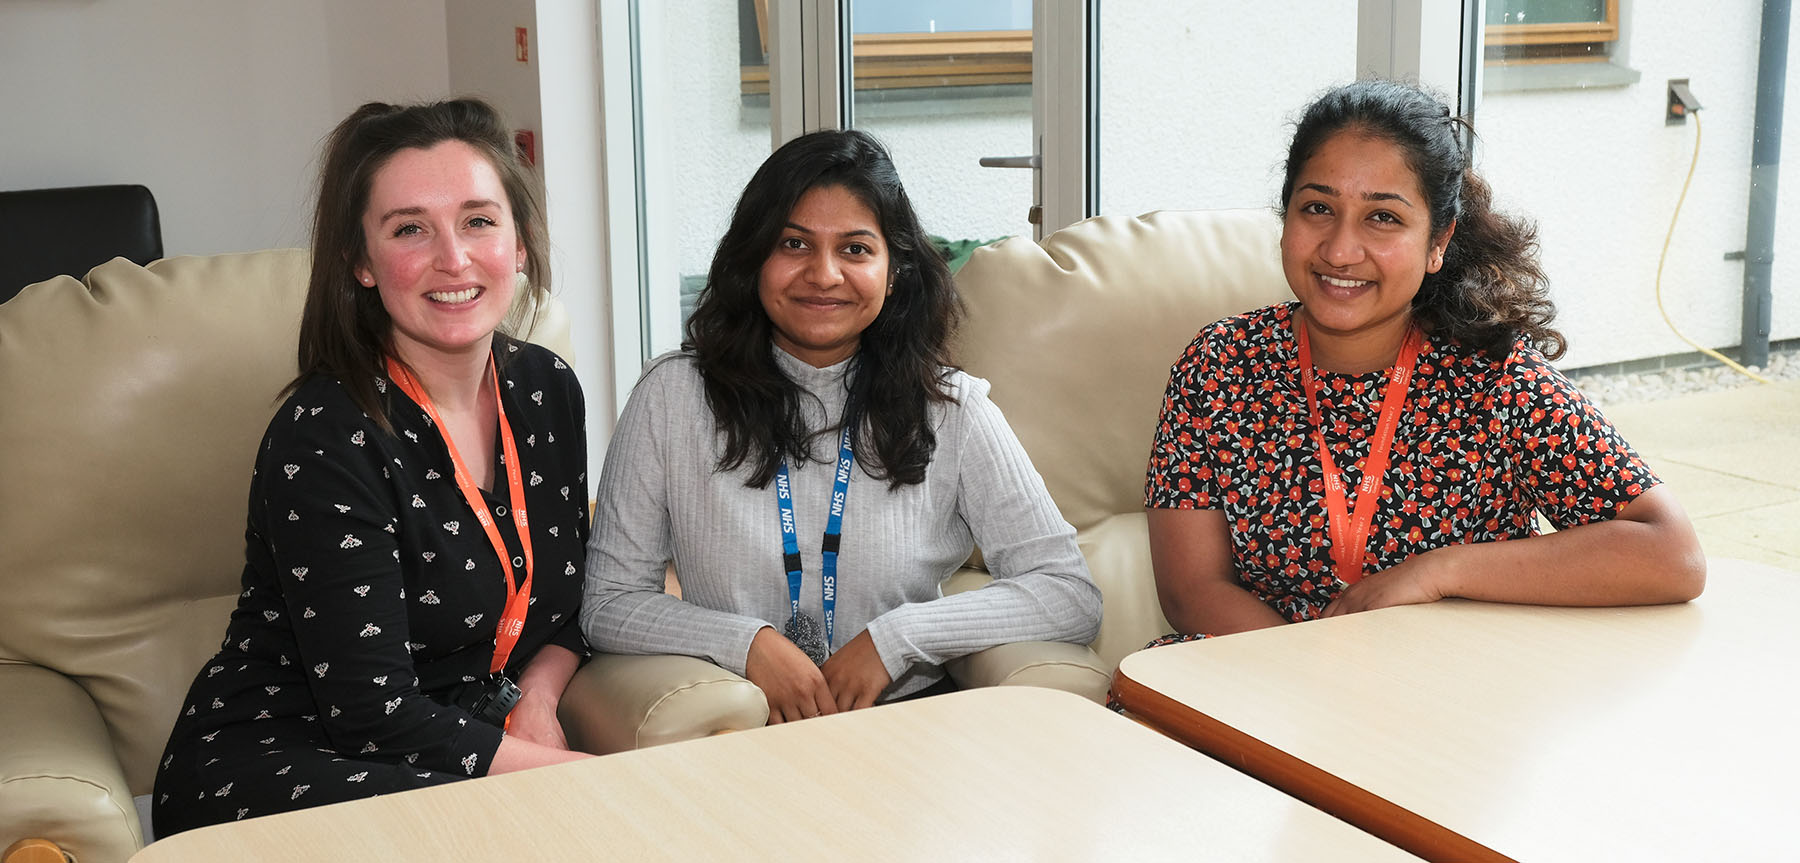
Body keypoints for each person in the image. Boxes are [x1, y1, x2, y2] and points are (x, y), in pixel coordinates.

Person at [154, 98, 591, 835]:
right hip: (288, 763)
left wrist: (539, 699)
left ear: (519, 243)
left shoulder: (548, 389)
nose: (453, 257)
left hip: (453, 747)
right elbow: (372, 714)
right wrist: (599, 779)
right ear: (361, 261)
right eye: (410, 229)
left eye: (479, 220)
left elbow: (568, 602)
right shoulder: (324, 435)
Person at [1144, 79, 1705, 641]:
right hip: (1250, 673)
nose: (1340, 250)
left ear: (1437, 243)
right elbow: (1192, 591)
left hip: (1439, 693)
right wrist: (1309, 678)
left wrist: (1440, 570)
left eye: (1383, 218)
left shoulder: (1495, 378)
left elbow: (1671, 554)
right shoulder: (1219, 364)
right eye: (1318, 208)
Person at [582, 129, 1101, 722]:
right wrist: (746, 644)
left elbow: (1068, 592)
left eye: (855, 249)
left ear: (894, 269)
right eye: (794, 244)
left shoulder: (953, 409)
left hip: (907, 732)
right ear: (754, 258)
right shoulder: (672, 397)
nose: (824, 274)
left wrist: (898, 638)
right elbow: (608, 603)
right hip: (734, 729)